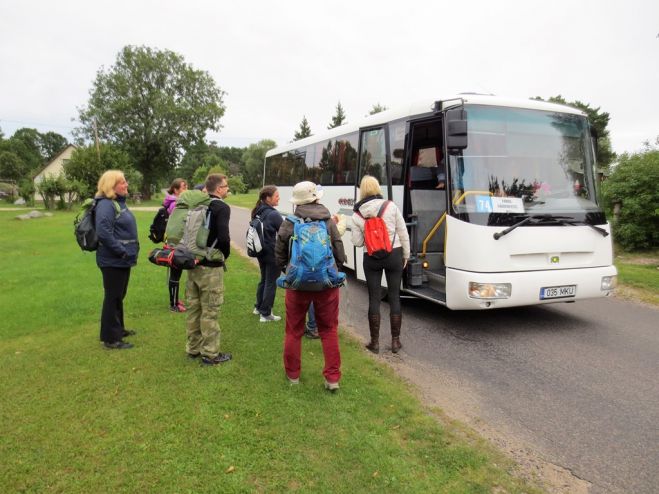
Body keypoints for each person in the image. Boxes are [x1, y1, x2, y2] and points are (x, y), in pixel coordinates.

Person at [275, 181, 346, 390]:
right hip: (326, 285)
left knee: (293, 330)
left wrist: (289, 271)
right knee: (329, 330)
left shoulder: (289, 222)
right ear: (316, 198)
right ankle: (332, 379)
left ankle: (293, 376)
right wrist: (333, 269)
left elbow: (279, 250)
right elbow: (338, 250)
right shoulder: (328, 220)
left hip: (297, 285)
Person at [351, 175, 410, 354]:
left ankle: (375, 342)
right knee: (394, 297)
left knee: (374, 298)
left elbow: (357, 242)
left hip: (371, 258)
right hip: (394, 254)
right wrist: (406, 254)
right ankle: (395, 342)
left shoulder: (357, 213)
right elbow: (403, 232)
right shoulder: (390, 206)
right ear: (377, 187)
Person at [185, 174, 232, 365]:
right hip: (211, 267)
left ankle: (193, 348)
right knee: (210, 310)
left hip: (193, 263)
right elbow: (223, 236)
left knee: (194, 308)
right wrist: (224, 254)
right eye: (226, 186)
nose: (228, 189)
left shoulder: (198, 204)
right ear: (219, 189)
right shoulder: (221, 207)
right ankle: (211, 353)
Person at [94, 170, 140, 350]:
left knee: (118, 296)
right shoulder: (106, 205)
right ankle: (111, 338)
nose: (126, 184)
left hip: (122, 259)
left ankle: (118, 329)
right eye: (122, 182)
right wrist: (121, 251)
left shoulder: (117, 203)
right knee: (112, 297)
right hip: (113, 260)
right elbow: (103, 232)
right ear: (111, 186)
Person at [251, 185, 284, 322]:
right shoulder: (274, 214)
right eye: (276, 196)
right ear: (268, 198)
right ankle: (265, 314)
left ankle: (259, 307)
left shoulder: (258, 211)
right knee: (271, 282)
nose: (279, 198)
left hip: (261, 251)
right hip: (271, 253)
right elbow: (284, 232)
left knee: (264, 279)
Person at [163, 178, 188, 312]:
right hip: (175, 243)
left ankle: (175, 300)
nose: (186, 189)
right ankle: (173, 304)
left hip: (174, 241)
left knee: (176, 272)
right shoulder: (175, 205)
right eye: (184, 187)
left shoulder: (175, 202)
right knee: (175, 273)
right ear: (176, 190)